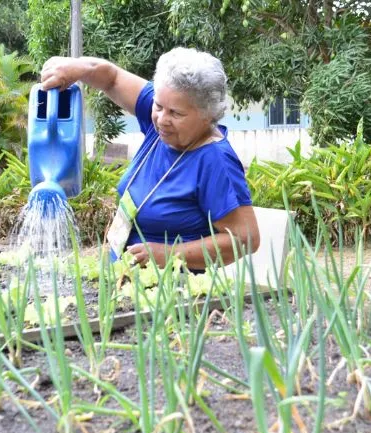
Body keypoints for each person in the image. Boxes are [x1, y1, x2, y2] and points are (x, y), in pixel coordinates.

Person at [40, 47, 260, 270]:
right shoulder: (162, 124)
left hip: (175, 292)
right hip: (123, 280)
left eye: (176, 113)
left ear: (207, 115)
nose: (162, 119)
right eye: (158, 105)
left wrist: (169, 255)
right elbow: (112, 78)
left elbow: (244, 239)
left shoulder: (215, 161)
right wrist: (76, 68)